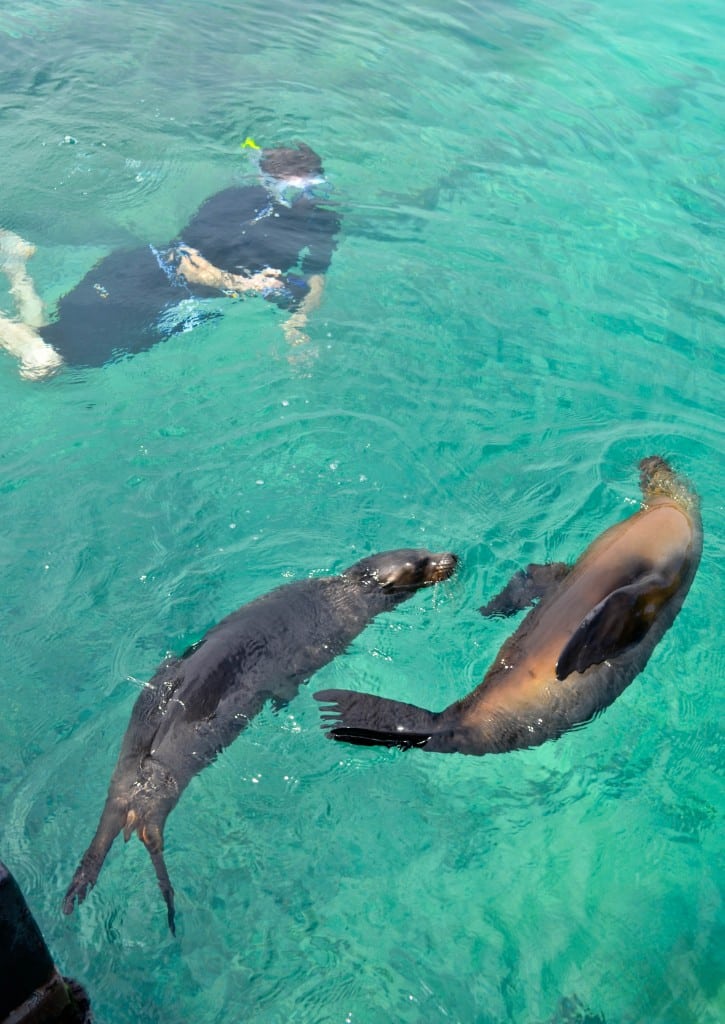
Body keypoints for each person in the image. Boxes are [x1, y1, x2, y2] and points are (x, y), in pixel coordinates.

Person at [0, 142, 340, 378]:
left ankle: (15, 265)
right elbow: (187, 261)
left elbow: (316, 278)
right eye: (296, 192)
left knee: (44, 345)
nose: (306, 200)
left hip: (183, 305)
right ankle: (15, 265)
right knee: (44, 363)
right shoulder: (237, 200)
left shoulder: (322, 221)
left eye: (315, 189)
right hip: (142, 280)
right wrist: (240, 284)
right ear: (271, 187)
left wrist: (298, 324)